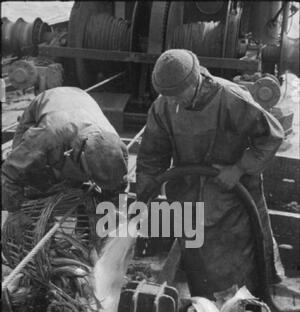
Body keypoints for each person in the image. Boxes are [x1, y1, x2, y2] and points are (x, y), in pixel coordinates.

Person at [136, 49, 285, 298]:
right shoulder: (163, 106)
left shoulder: (232, 98)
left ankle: (248, 307)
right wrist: (144, 198)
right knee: (197, 257)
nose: (174, 102)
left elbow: (271, 136)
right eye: (168, 96)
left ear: (196, 81)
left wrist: (238, 169)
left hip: (234, 196)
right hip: (189, 193)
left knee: (239, 257)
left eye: (178, 95)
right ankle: (205, 306)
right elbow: (152, 155)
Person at [2, 87, 128, 227]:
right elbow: (10, 171)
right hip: (50, 100)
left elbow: (118, 184)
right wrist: (15, 211)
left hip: (81, 99)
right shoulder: (48, 137)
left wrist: (113, 209)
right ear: (83, 156)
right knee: (29, 177)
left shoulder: (117, 147)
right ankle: (41, 221)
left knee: (71, 179)